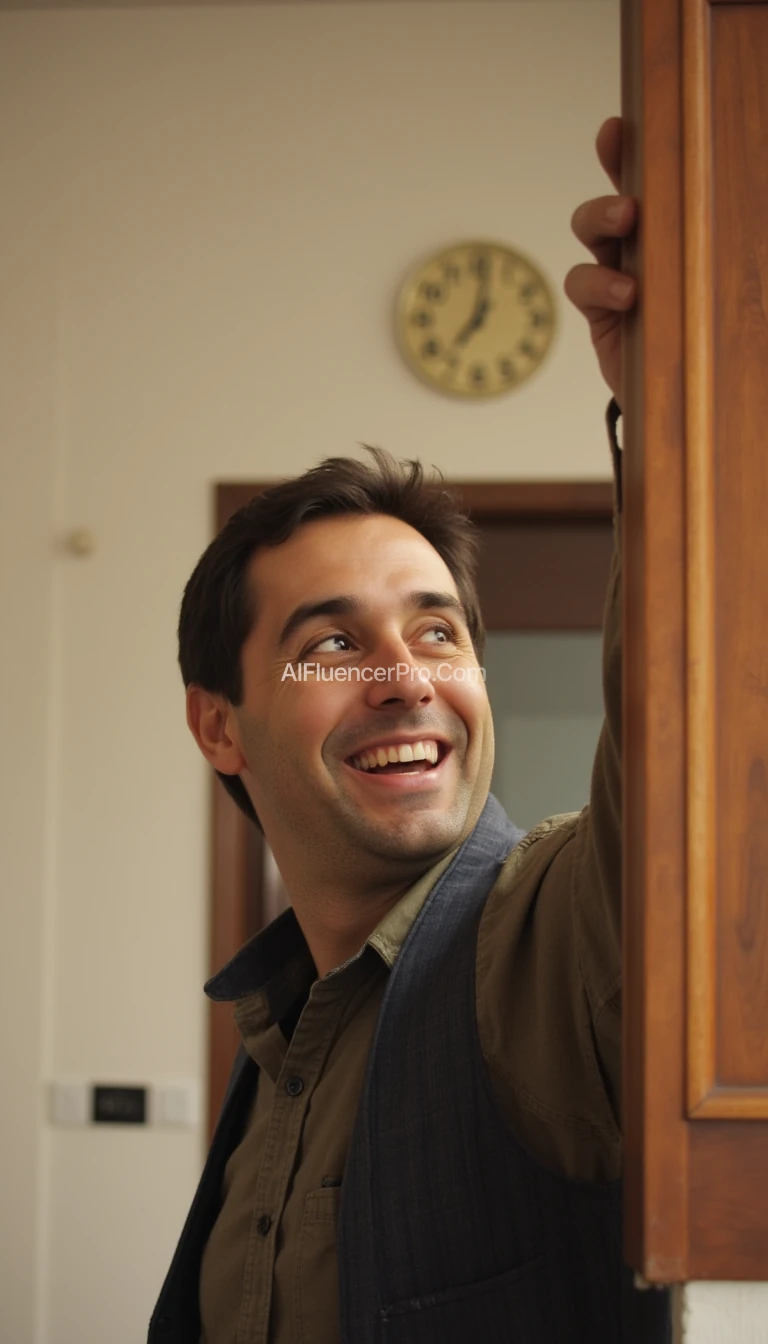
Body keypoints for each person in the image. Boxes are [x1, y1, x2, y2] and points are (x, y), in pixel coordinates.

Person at [149, 118, 671, 1343]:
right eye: (331, 644)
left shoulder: (541, 936)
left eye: (438, 633)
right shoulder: (279, 1031)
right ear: (218, 726)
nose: (403, 677)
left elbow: (689, 755)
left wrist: (692, 408)